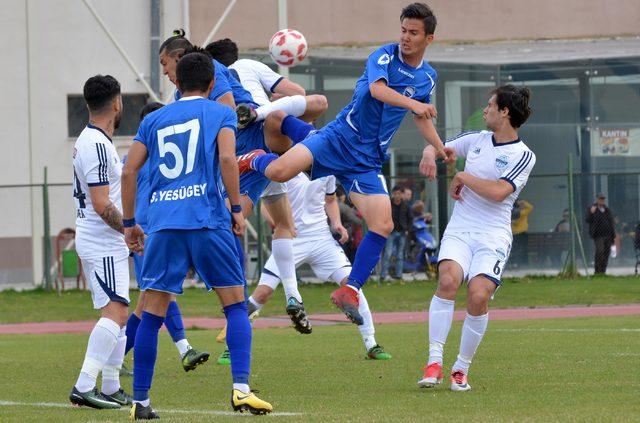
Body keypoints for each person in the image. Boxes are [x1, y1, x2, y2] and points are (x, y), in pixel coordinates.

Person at [238, 3, 454, 324]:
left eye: (413, 33)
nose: (405, 38)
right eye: (403, 30)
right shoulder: (384, 55)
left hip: (366, 160)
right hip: (338, 138)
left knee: (383, 224)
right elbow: (379, 91)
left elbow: (420, 115)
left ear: (429, 38)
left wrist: (439, 147)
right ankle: (254, 158)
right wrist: (414, 103)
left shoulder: (427, 77)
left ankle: (349, 289)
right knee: (280, 171)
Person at [121, 52, 272, 418]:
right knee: (235, 306)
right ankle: (240, 390)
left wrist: (129, 224)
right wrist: (237, 209)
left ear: (177, 82)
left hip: (164, 226)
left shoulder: (153, 119)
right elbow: (225, 160)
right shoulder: (221, 112)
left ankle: (140, 402)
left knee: (151, 313)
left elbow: (128, 171)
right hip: (207, 221)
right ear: (210, 84)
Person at [418, 84, 535, 392]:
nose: (485, 110)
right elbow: (438, 145)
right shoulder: (476, 139)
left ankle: (461, 368)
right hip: (461, 228)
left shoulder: (523, 155)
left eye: (490, 105)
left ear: (504, 112)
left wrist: (462, 176)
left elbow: (498, 192)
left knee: (479, 295)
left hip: (493, 235)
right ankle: (434, 362)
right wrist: (430, 152)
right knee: (447, 281)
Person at [248, 173, 392, 359]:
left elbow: (330, 200)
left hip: (321, 239)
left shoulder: (327, 166)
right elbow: (266, 205)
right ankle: (232, 346)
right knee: (262, 293)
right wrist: (280, 225)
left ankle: (371, 344)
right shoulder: (286, 166)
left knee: (351, 286)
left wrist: (337, 223)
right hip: (290, 238)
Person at [122, 102, 210, 373]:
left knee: (147, 302)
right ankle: (185, 349)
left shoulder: (167, 155)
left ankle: (111, 359)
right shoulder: (138, 158)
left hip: (163, 229)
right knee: (160, 294)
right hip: (146, 233)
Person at [69, 75, 132, 409]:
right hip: (102, 242)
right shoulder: (95, 144)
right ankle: (83, 386)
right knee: (115, 311)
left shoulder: (95, 140)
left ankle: (109, 386)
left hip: (106, 242)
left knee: (120, 312)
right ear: (117, 103)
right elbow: (101, 203)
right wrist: (130, 230)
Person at [205, 37, 328, 127]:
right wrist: (278, 99)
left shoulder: (209, 80)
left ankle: (252, 115)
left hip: (237, 130)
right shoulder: (246, 64)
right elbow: (298, 92)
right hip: (268, 122)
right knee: (319, 102)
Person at [380, 185, 413, 280]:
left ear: (402, 194)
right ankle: (383, 275)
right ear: (392, 194)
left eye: (399, 193)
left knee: (400, 255)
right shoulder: (388, 205)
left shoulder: (406, 206)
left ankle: (399, 276)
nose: (397, 196)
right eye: (395, 194)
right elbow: (383, 217)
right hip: (391, 232)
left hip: (402, 232)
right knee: (388, 254)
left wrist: (408, 230)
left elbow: (410, 219)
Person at [585, 193, 616, 275]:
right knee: (600, 251)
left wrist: (613, 234)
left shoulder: (607, 210)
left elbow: (611, 222)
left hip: (608, 235)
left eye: (603, 199)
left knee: (606, 253)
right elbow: (587, 220)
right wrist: (591, 213)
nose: (602, 200)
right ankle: (597, 271)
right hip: (598, 235)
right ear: (597, 199)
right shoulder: (592, 208)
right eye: (600, 199)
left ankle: (603, 271)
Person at [510, 199, 532, 266]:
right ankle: (522, 263)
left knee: (518, 249)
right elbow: (530, 207)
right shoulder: (521, 213)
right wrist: (523, 202)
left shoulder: (512, 213)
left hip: (517, 234)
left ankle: (519, 263)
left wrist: (521, 202)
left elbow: (530, 207)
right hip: (520, 234)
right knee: (521, 249)